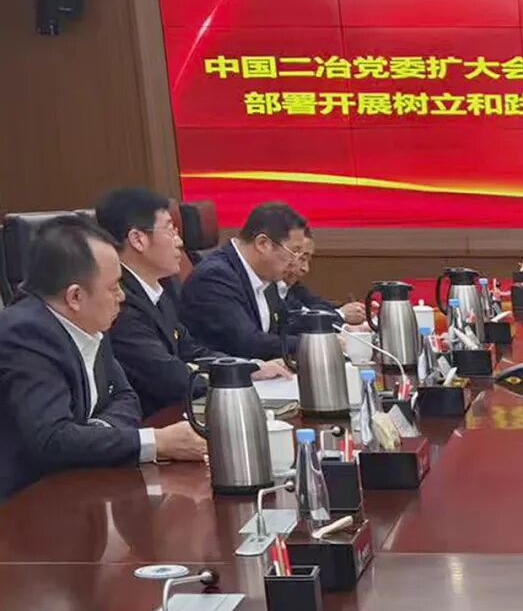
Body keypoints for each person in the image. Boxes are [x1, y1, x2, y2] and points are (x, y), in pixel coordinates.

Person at [0, 216, 206, 500]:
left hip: (81, 483)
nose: (122, 297)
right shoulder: (25, 335)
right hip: (24, 504)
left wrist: (90, 435)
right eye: (113, 287)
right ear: (75, 296)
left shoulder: (89, 319)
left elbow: (126, 397)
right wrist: (156, 441)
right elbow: (52, 440)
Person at [95, 188, 285, 417]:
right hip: (154, 422)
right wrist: (237, 375)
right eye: (170, 230)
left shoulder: (160, 288)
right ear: (138, 239)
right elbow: (169, 378)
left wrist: (249, 367)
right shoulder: (119, 302)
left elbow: (191, 349)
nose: (179, 242)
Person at [180, 201, 308, 360]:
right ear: (263, 244)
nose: (296, 262)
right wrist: (312, 345)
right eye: (294, 252)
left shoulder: (265, 273)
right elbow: (247, 343)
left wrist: (327, 332)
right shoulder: (214, 278)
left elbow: (287, 322)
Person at [274, 228, 366, 325]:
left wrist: (354, 310)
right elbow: (295, 321)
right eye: (302, 259)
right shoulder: (269, 288)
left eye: (308, 261)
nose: (306, 269)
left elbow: (316, 305)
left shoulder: (293, 287)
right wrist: (341, 314)